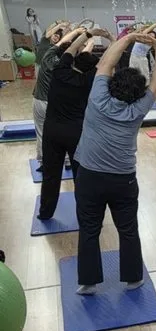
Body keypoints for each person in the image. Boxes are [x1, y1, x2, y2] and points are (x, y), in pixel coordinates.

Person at [73, 32, 156, 295]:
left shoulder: (97, 98)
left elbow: (104, 64)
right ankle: (133, 277)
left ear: (112, 83)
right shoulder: (138, 110)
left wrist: (127, 39)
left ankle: (88, 282)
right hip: (123, 180)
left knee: (89, 228)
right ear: (139, 94)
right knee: (127, 229)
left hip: (90, 177)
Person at [37, 29, 108, 220]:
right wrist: (111, 39)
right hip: (76, 133)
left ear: (74, 62)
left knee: (51, 175)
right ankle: (85, 215)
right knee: (81, 177)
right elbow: (107, 62)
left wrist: (88, 34)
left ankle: (45, 213)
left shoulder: (60, 71)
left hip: (52, 131)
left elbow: (72, 49)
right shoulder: (89, 80)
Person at [32, 26, 87, 171]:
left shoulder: (47, 58)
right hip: (57, 103)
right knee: (64, 131)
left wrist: (75, 32)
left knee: (41, 132)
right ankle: (69, 161)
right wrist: (88, 39)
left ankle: (44, 162)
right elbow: (83, 55)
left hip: (40, 101)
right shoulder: (68, 68)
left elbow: (58, 45)